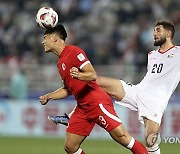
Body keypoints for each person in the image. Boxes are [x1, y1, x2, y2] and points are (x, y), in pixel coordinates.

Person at [49, 20, 180, 154]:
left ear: (168, 34)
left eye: (158, 30)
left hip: (155, 101)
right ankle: (70, 117)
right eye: (154, 30)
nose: (154, 33)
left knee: (150, 141)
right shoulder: (152, 55)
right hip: (138, 91)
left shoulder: (178, 52)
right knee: (95, 80)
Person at [39, 24, 148, 154]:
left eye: (45, 37)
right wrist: (49, 96)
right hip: (82, 107)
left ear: (55, 38)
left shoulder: (74, 52)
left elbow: (92, 74)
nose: (42, 41)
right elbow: (68, 89)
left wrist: (79, 75)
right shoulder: (60, 62)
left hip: (97, 102)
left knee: (123, 137)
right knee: (70, 146)